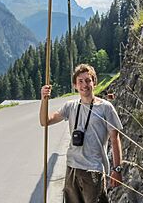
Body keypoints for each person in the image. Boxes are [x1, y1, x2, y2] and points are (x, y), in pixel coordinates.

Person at [39, 64, 123, 203]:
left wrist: (117, 169)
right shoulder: (70, 106)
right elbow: (45, 121)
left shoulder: (105, 108)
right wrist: (44, 99)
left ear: (94, 82)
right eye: (81, 81)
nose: (85, 85)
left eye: (88, 80)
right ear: (75, 86)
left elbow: (115, 139)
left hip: (94, 170)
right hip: (72, 168)